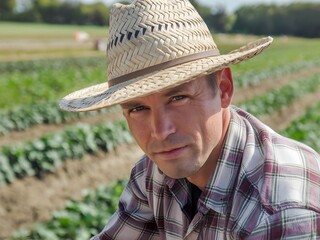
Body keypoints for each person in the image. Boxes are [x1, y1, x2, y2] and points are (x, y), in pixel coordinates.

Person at [59, 0, 320, 239]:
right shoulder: (153, 174)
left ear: (224, 88)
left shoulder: (280, 212)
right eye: (138, 109)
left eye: (178, 98)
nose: (160, 131)